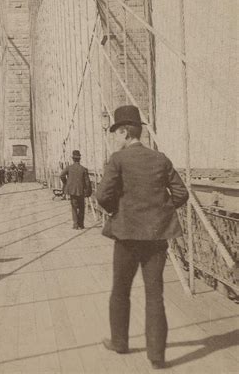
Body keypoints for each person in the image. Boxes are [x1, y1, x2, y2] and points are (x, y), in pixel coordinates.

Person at [96, 105, 189, 370]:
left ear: (124, 132)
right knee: (155, 295)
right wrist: (161, 212)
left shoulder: (118, 159)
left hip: (126, 236)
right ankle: (157, 357)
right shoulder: (161, 159)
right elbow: (181, 194)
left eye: (116, 132)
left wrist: (118, 210)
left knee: (120, 291)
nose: (115, 137)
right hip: (156, 237)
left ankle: (120, 342)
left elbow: (103, 196)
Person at [60, 150, 92, 229]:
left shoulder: (69, 168)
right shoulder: (84, 169)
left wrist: (66, 183)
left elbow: (61, 175)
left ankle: (75, 225)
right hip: (81, 191)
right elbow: (87, 182)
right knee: (81, 207)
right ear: (79, 159)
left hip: (72, 190)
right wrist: (88, 191)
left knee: (74, 207)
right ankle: (81, 225)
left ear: (73, 159)